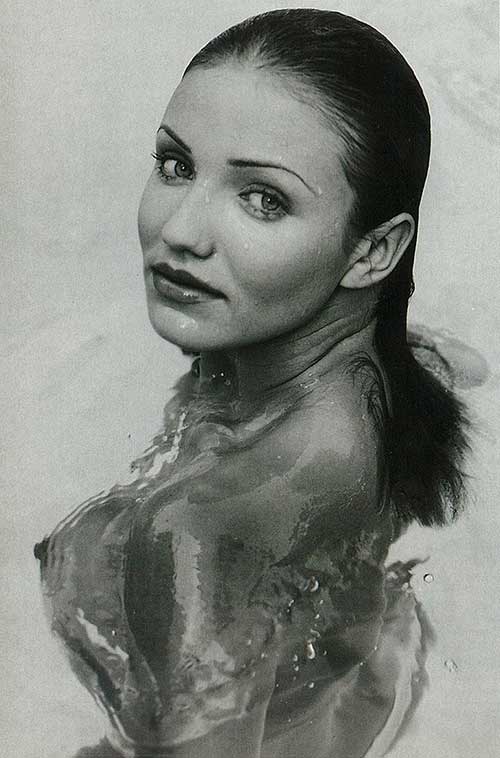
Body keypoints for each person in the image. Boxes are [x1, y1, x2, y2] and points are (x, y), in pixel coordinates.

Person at [35, 9, 470, 758]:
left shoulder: (195, 533)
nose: (180, 230)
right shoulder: (400, 369)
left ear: (374, 252)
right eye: (176, 164)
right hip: (351, 691)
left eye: (264, 199)